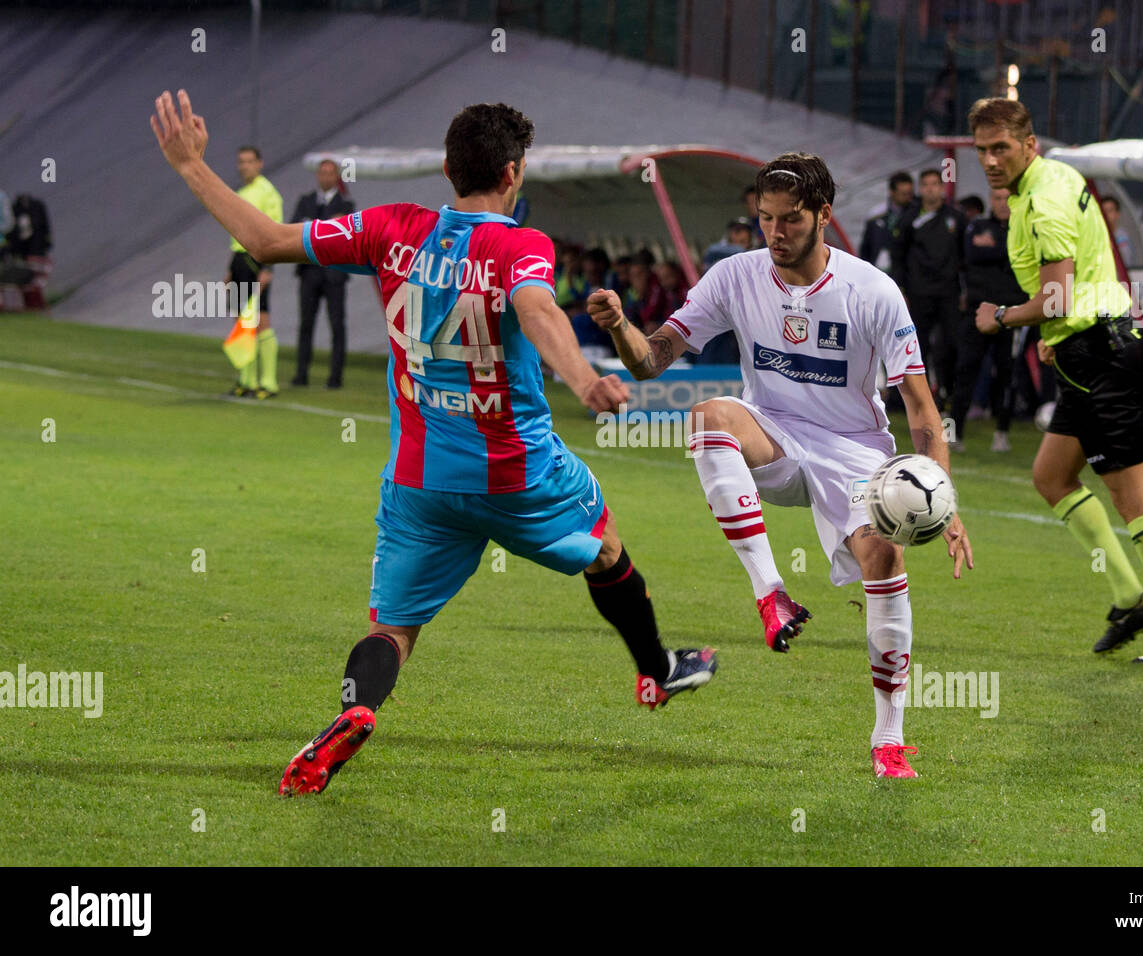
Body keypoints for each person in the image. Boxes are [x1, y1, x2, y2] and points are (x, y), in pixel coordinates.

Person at [151, 91, 718, 795]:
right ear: (512, 174)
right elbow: (538, 309)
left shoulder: (392, 227)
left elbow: (265, 241)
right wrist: (581, 377)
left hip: (420, 483)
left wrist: (190, 167)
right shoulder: (520, 245)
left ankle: (356, 708)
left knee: (394, 630)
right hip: (519, 475)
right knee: (604, 549)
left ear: (448, 168)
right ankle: (656, 671)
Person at [588, 152, 974, 780]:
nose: (775, 232)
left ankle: (888, 739)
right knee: (709, 415)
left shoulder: (873, 291)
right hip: (773, 434)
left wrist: (944, 498)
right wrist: (622, 327)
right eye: (764, 218)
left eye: (789, 219)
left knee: (885, 559)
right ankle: (771, 595)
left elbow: (923, 414)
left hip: (854, 452)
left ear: (823, 214)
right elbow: (651, 361)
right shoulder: (735, 275)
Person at [969, 96, 1143, 665]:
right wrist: (1058, 338)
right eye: (981, 150)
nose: (989, 160)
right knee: (1051, 476)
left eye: (1001, 147)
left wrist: (1001, 317)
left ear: (1029, 144)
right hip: (1089, 349)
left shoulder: (1043, 201)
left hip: (1100, 356)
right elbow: (1073, 291)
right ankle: (1131, 598)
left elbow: (1055, 295)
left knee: (1135, 500)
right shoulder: (1048, 179)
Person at [952, 187, 1025, 453]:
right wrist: (1008, 253)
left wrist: (997, 250)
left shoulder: (1025, 227)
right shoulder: (977, 226)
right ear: (989, 201)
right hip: (978, 310)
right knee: (964, 372)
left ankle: (1002, 433)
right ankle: (954, 432)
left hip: (1014, 313)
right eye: (997, 198)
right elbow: (973, 255)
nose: (1003, 204)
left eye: (1007, 199)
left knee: (1009, 375)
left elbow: (1023, 258)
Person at [893, 168, 965, 407]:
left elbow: (964, 257)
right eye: (926, 184)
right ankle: (915, 398)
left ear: (943, 188)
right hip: (919, 292)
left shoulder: (956, 218)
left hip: (948, 293)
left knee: (950, 344)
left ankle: (948, 393)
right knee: (917, 346)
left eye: (936, 184)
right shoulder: (908, 219)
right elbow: (898, 256)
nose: (931, 188)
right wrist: (901, 289)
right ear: (920, 189)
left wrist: (964, 289)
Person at [289, 159, 354, 388]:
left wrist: (314, 227)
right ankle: (301, 374)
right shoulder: (305, 201)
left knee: (337, 325)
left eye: (330, 173)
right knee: (306, 324)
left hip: (335, 275)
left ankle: (335, 377)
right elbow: (294, 231)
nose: (325, 177)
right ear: (317, 175)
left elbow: (346, 238)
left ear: (337, 177)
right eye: (322, 173)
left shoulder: (346, 205)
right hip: (309, 273)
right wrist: (327, 226)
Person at [226, 146, 283, 398]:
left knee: (261, 319)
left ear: (260, 163)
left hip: (257, 260)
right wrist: (230, 267)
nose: (244, 166)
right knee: (243, 320)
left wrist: (268, 268)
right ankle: (246, 380)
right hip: (240, 259)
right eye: (241, 161)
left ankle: (268, 383)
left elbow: (277, 231)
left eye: (249, 161)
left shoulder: (267, 192)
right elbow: (238, 235)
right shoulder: (241, 193)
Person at [857, 170, 914, 274]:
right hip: (878, 272)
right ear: (891, 192)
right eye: (903, 194)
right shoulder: (876, 215)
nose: (908, 197)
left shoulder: (915, 216)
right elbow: (866, 248)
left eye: (910, 193)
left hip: (906, 274)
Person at [1099, 195, 1134, 269]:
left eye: (1110, 211)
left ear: (1117, 214)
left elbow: (1124, 261)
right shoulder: (1095, 235)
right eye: (1103, 211)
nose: (1106, 214)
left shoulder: (1122, 237)